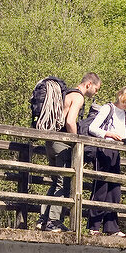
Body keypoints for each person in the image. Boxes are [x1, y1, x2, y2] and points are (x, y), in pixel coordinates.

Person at [39, 72, 102, 232]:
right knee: (63, 182)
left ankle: (43, 220)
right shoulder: (78, 97)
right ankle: (54, 222)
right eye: (96, 89)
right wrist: (76, 142)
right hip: (62, 143)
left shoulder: (66, 93)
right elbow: (70, 121)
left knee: (55, 182)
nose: (96, 93)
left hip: (51, 141)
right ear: (89, 84)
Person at [86, 85, 126, 236]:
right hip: (103, 150)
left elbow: (123, 134)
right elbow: (92, 128)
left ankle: (111, 227)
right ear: (120, 96)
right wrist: (108, 134)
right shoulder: (107, 108)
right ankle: (94, 226)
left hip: (116, 151)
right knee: (101, 188)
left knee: (114, 191)